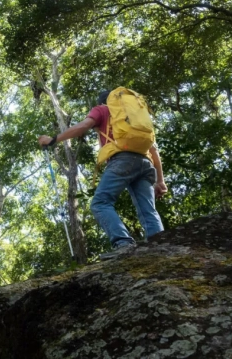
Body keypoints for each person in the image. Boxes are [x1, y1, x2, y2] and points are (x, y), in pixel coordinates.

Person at [38, 90, 168, 260]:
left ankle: (124, 244)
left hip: (122, 160)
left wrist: (53, 139)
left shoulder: (102, 110)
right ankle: (161, 247)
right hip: (146, 163)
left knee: (100, 203)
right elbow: (153, 150)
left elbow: (83, 126)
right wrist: (160, 180)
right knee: (148, 210)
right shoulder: (133, 116)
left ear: (102, 102)